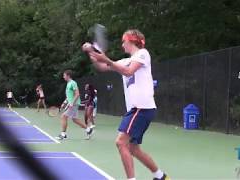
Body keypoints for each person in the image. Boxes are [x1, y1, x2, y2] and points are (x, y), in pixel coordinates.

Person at [82, 29, 169, 180]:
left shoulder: (143, 54)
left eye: (124, 41)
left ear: (132, 41)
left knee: (121, 142)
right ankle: (161, 176)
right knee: (133, 148)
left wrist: (107, 59)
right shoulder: (124, 61)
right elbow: (102, 66)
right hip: (139, 109)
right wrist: (91, 52)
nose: (122, 45)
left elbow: (128, 72)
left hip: (141, 108)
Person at [55, 70, 93, 140]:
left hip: (74, 104)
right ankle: (88, 130)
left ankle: (63, 134)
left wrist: (72, 103)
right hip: (72, 103)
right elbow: (69, 96)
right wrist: (64, 102)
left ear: (68, 76)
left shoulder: (73, 83)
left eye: (64, 75)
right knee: (75, 119)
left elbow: (77, 94)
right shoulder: (68, 83)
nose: (63, 77)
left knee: (63, 116)